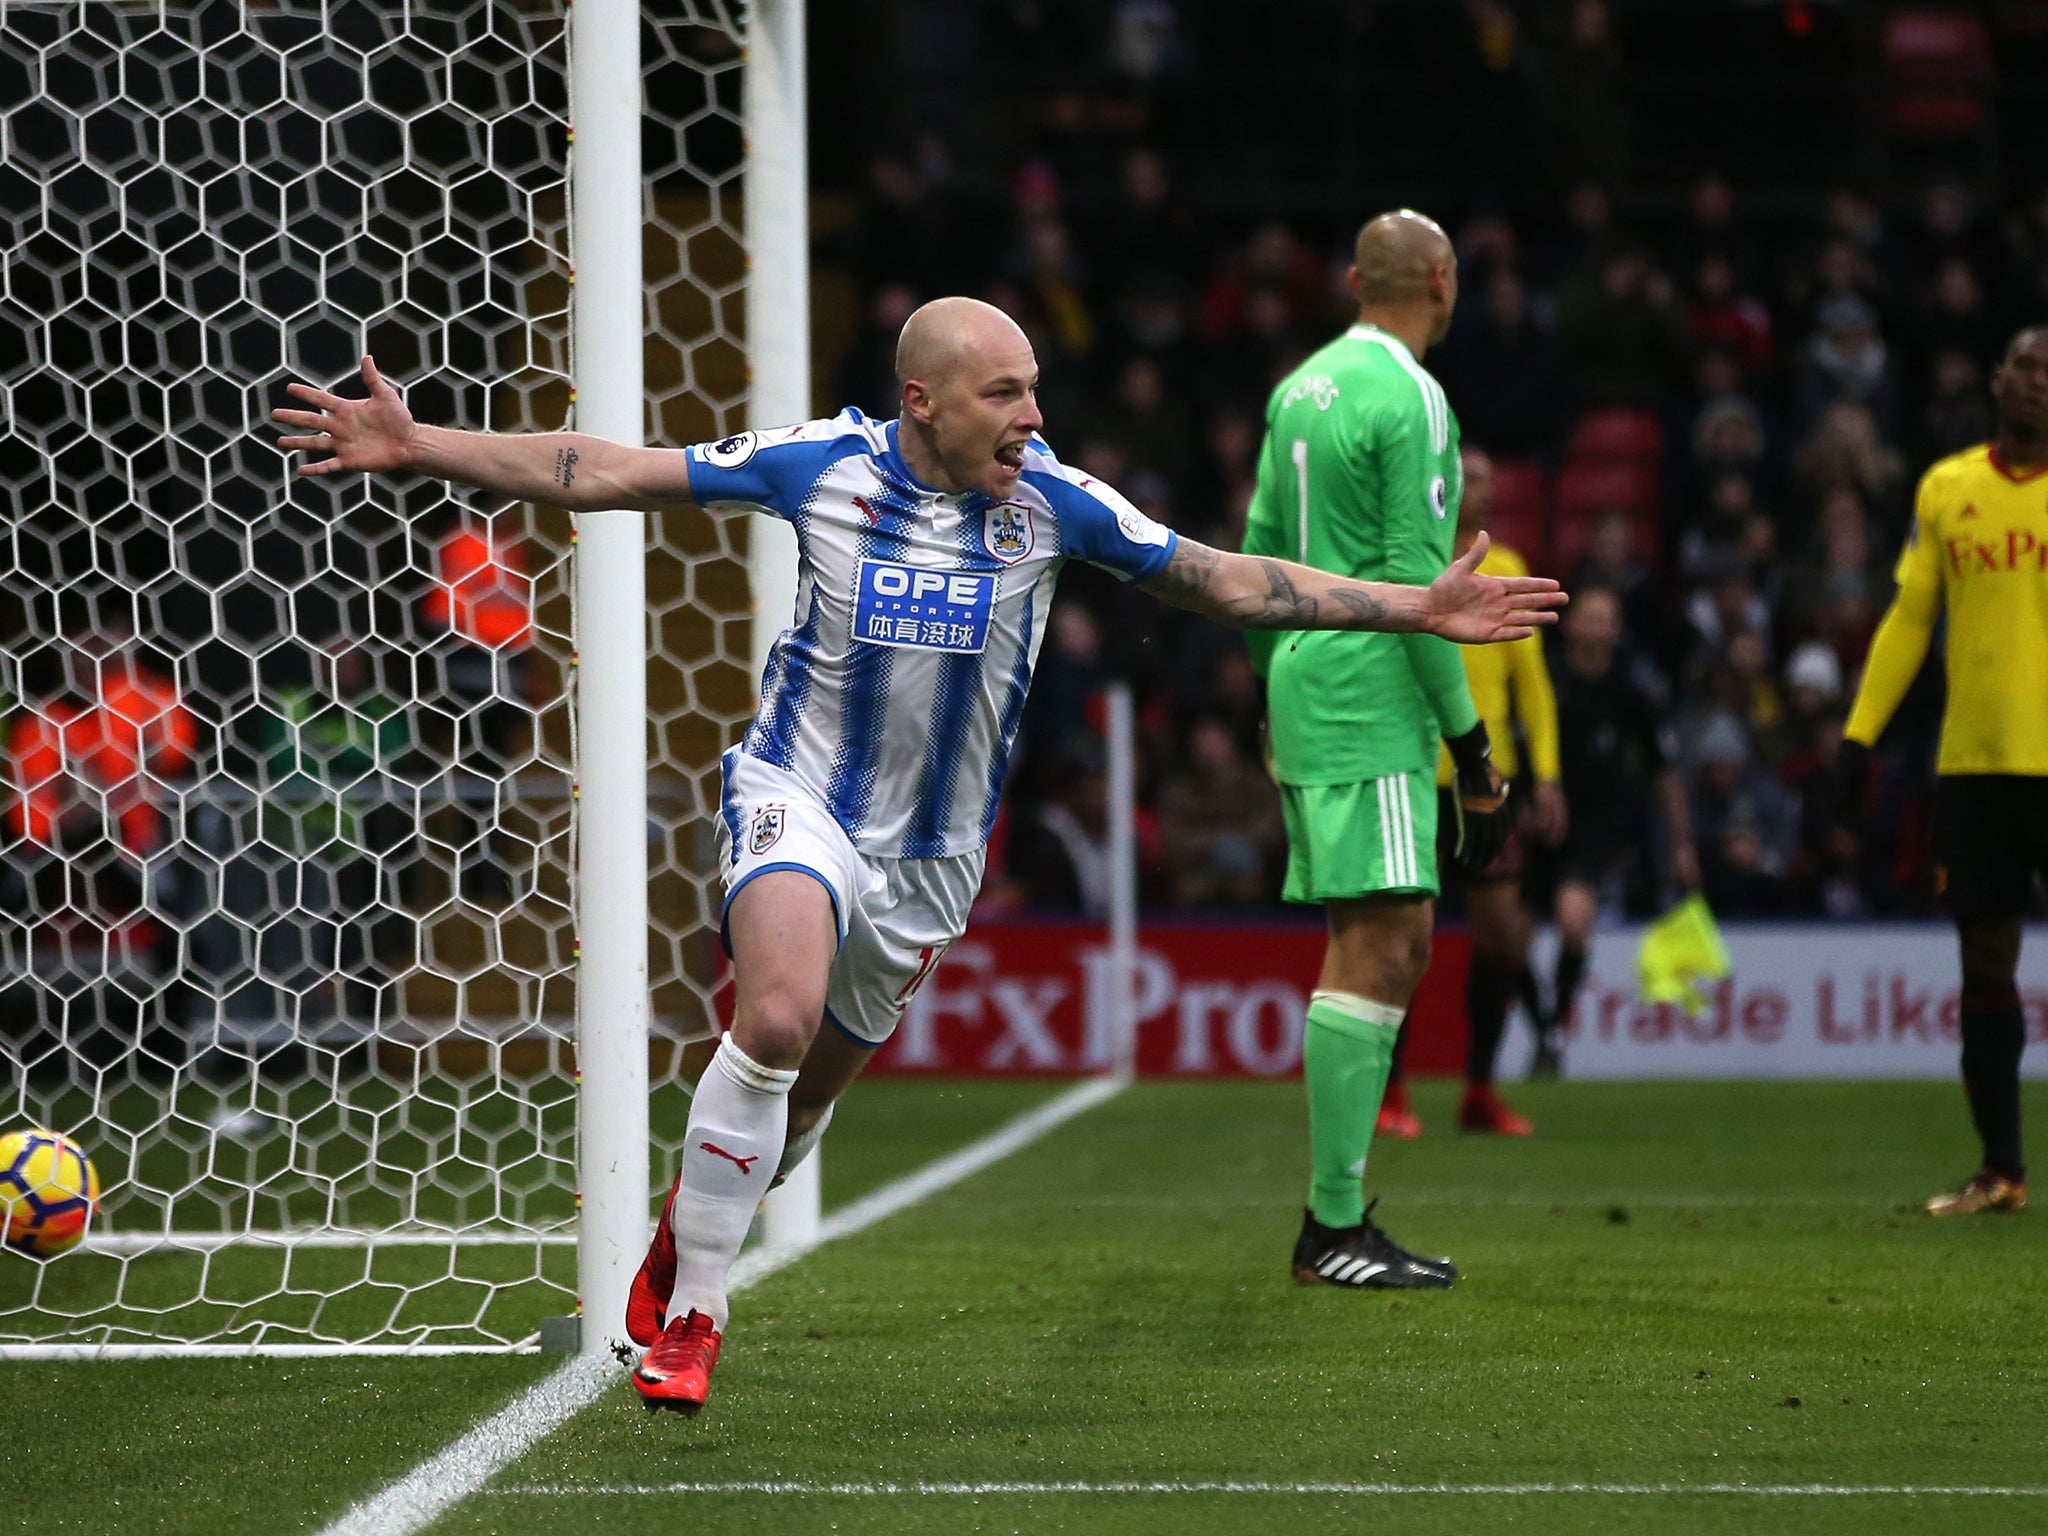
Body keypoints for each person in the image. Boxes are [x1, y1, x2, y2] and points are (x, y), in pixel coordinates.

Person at [273, 297, 1565, 1413]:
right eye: (1004, 393)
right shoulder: (818, 465)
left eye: (1036, 391)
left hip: (929, 863)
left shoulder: (1057, 502)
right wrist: (419, 443)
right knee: (772, 1019)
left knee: (801, 1109)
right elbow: (608, 470)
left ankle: (689, 1230)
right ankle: (695, 1320)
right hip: (799, 801)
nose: (1030, 415)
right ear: (923, 402)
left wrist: (1416, 607)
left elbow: (1223, 580)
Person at [1240, 210, 1525, 1294]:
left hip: (1307, 674)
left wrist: (1271, 685)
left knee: (1390, 938)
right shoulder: (1410, 395)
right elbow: (1424, 586)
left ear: (1355, 278)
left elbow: (1261, 552)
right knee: (1379, 942)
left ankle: (1340, 1215)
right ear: (1443, 281)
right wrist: (1474, 749)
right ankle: (1332, 1223)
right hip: (1368, 685)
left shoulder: (1297, 387)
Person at [1835, 326, 2048, 1217]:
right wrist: (1858, 738)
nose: (2039, 382)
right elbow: (1910, 620)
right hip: (1977, 761)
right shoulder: (1948, 486)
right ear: (1999, 379)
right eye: (2028, 366)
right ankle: (2001, 1171)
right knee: (1986, 963)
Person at [1377, 444, 1565, 1139]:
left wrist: (1547, 775)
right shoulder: (1406, 563)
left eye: (1487, 477)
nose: (1478, 488)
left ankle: (1479, 1089)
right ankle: (1391, 1093)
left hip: (1488, 780)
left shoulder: (1509, 568)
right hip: (1414, 776)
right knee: (1403, 941)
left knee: (1501, 939)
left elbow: (1533, 687)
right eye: (1467, 476)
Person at [1529, 586, 1698, 1071]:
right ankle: (1542, 1024)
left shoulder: (1631, 692)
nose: (1601, 627)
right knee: (1508, 944)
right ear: (1572, 624)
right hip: (1536, 821)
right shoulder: (1547, 680)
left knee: (1574, 920)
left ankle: (1555, 1029)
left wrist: (1682, 842)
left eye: (1610, 619)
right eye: (1592, 617)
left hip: (1595, 828)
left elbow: (1663, 771)